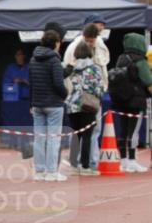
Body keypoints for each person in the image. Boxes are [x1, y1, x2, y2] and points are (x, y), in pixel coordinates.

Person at [63, 17, 110, 171]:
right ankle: (88, 163)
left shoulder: (72, 67)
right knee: (90, 134)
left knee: (77, 134)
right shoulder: (93, 68)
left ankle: (74, 163)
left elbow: (65, 78)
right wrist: (100, 92)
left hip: (72, 103)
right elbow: (98, 85)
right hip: (90, 103)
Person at [28, 29, 68, 182]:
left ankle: (39, 171)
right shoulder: (55, 61)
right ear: (56, 43)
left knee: (39, 138)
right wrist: (65, 94)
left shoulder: (33, 59)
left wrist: (31, 103)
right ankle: (52, 171)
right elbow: (58, 83)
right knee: (53, 138)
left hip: (37, 103)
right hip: (54, 104)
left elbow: (31, 83)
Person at [109, 33, 152, 172]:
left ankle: (123, 161)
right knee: (134, 132)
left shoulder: (121, 58)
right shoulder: (140, 60)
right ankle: (133, 160)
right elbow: (147, 80)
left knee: (123, 130)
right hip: (136, 99)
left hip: (121, 99)